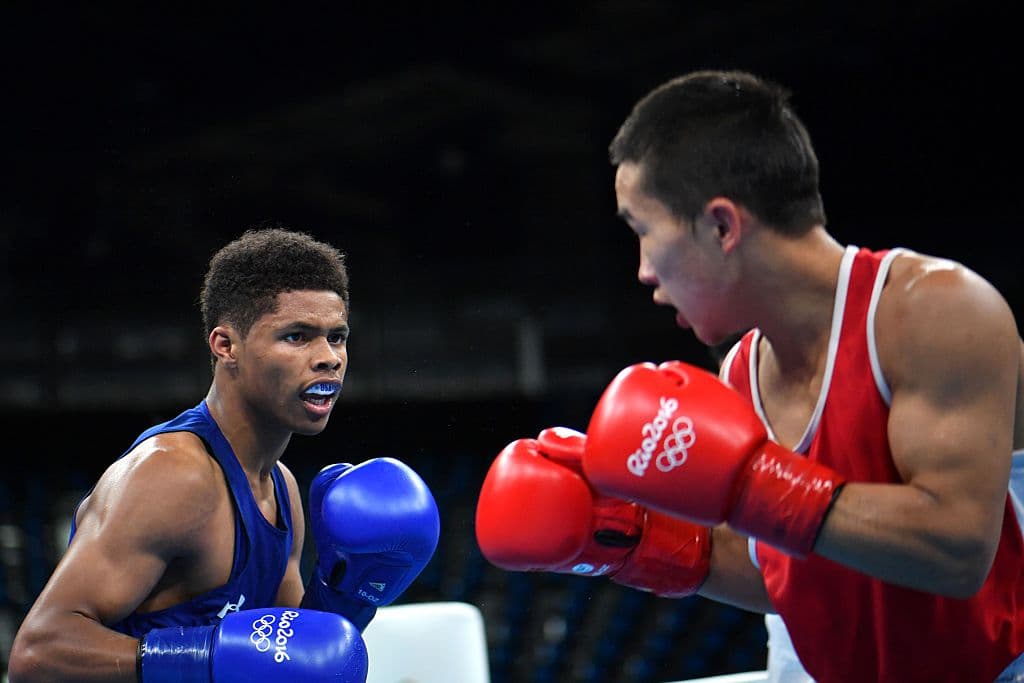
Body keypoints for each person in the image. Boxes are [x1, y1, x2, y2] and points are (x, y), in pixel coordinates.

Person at [476, 70, 1024, 682]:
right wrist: (631, 542)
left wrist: (751, 487)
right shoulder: (739, 374)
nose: (643, 271)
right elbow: (782, 574)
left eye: (642, 231)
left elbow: (957, 551)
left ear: (721, 227)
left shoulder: (932, 312)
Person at [8, 226, 441, 683]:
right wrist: (200, 656)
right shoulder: (172, 474)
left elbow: (293, 663)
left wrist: (347, 594)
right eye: (297, 336)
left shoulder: (283, 492)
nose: (328, 357)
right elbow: (37, 653)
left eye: (337, 337)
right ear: (226, 345)